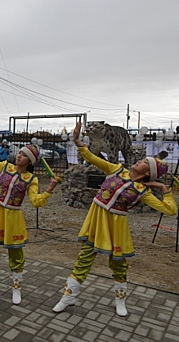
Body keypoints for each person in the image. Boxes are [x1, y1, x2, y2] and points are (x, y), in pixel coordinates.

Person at [52, 122, 177, 317]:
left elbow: (170, 210)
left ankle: (120, 301)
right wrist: (77, 140)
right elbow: (91, 157)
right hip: (96, 221)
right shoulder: (116, 169)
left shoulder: (142, 191)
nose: (139, 161)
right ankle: (68, 296)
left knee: (118, 263)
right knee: (84, 258)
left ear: (147, 173)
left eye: (145, 162)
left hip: (117, 227)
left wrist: (164, 189)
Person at [0, 127, 59, 304]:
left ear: (30, 161)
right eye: (20, 153)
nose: (19, 156)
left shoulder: (31, 179)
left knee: (16, 253)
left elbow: (35, 201)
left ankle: (16, 288)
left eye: (24, 155)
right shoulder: (4, 167)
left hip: (12, 218)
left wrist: (49, 189)